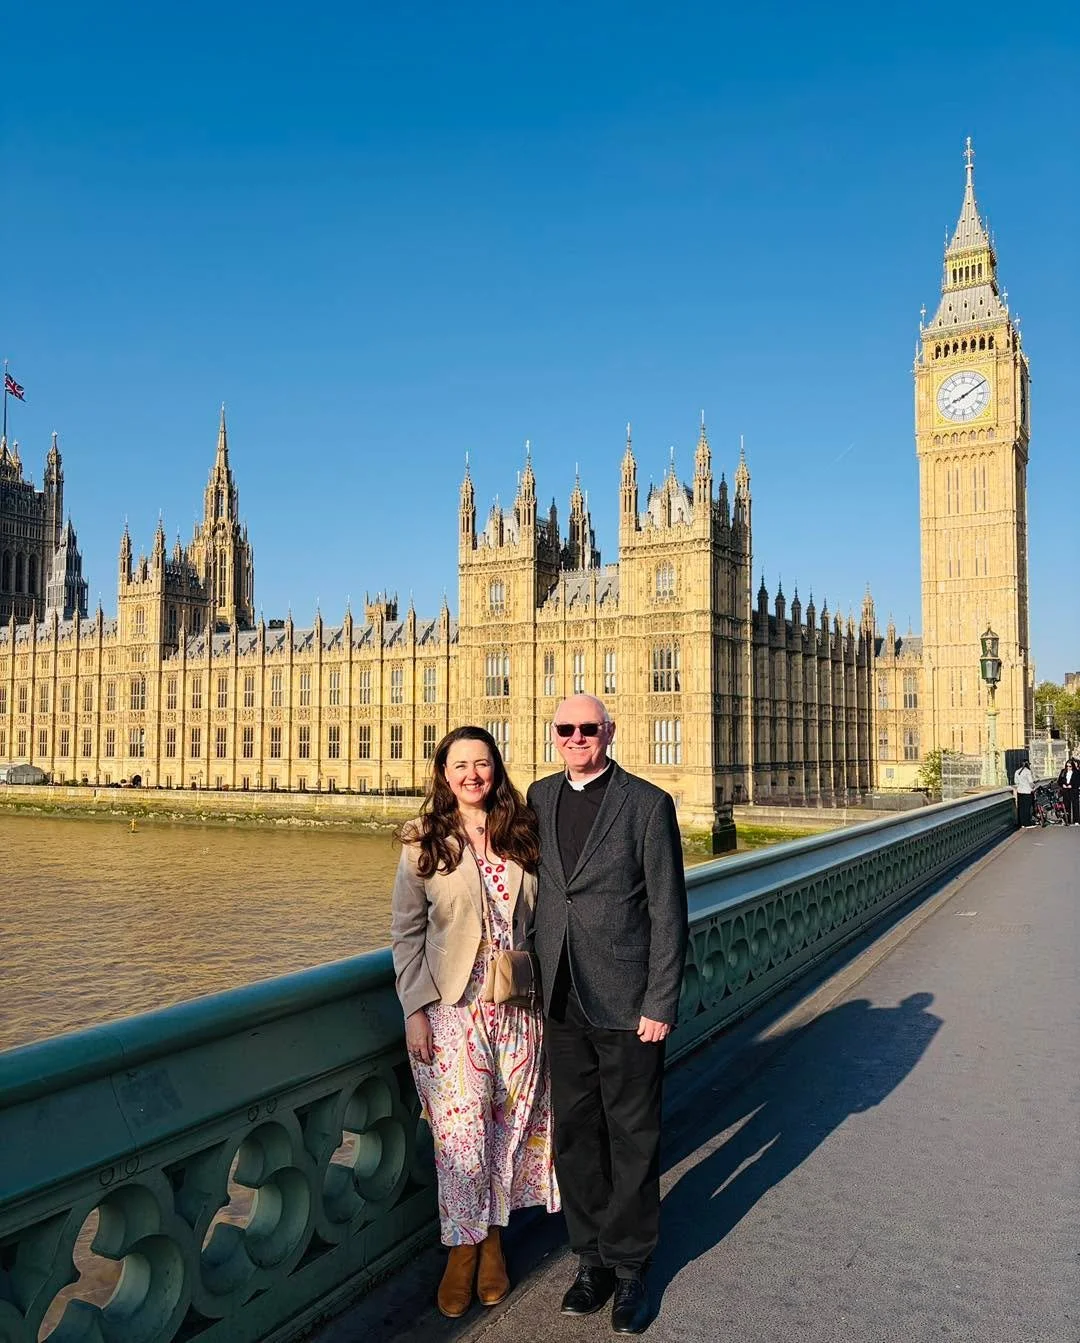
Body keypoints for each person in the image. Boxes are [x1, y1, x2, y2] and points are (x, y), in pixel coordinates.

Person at [526, 694, 688, 1335]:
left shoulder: (647, 804)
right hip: (560, 998)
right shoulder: (538, 798)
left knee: (632, 1137)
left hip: (628, 1004)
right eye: (565, 729)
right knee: (576, 1137)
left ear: (609, 734)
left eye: (587, 729)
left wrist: (660, 1001)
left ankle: (630, 1272)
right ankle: (589, 1259)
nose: (575, 738)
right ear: (554, 736)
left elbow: (669, 912)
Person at [390, 726, 558, 1318]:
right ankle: (468, 1250)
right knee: (461, 1141)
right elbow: (406, 934)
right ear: (443, 773)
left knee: (508, 1132)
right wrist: (414, 1010)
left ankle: (491, 1243)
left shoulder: (524, 834)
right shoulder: (423, 841)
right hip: (451, 1010)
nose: (471, 774)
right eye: (459, 764)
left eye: (481, 763)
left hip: (516, 1008)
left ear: (495, 768)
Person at [1012, 756, 1035, 827]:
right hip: (1027, 792)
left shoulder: (1017, 772)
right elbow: (1031, 783)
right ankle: (1027, 823)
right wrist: (1034, 786)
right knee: (1027, 808)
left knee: (1021, 808)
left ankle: (1021, 823)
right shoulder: (1028, 771)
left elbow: (1016, 782)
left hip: (1020, 792)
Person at [1058, 757, 1079, 824]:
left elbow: (1078, 782)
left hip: (1074, 791)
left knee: (1075, 806)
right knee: (1066, 806)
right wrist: (1062, 785)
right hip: (1065, 791)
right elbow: (1059, 781)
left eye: (1070, 766)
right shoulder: (1063, 771)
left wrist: (1072, 785)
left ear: (1072, 766)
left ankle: (1076, 820)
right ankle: (1067, 820)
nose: (1068, 768)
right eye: (1067, 766)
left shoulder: (1077, 772)